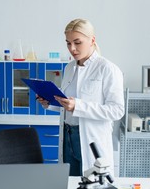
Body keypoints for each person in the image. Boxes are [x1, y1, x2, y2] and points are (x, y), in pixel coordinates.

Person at [37, 18, 125, 176]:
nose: (72, 48)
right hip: (68, 135)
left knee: (90, 188)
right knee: (68, 186)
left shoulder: (108, 69)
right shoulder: (69, 68)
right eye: (68, 43)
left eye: (77, 42)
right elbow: (68, 103)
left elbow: (117, 110)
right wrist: (49, 102)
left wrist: (78, 106)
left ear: (92, 40)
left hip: (90, 139)